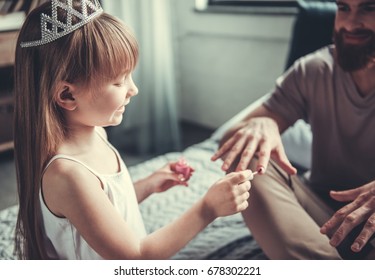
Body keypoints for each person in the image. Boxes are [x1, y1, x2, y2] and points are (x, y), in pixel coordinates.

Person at [13, 0, 254, 260]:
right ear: (68, 95)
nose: (133, 89)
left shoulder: (96, 134)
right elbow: (136, 256)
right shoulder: (67, 175)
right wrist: (207, 208)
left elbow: (103, 211)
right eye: (119, 81)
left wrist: (147, 185)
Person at [212, 0, 375, 260]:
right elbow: (229, 142)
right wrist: (264, 122)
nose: (351, 23)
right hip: (317, 215)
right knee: (249, 151)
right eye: (344, 8)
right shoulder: (313, 70)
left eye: (369, 8)